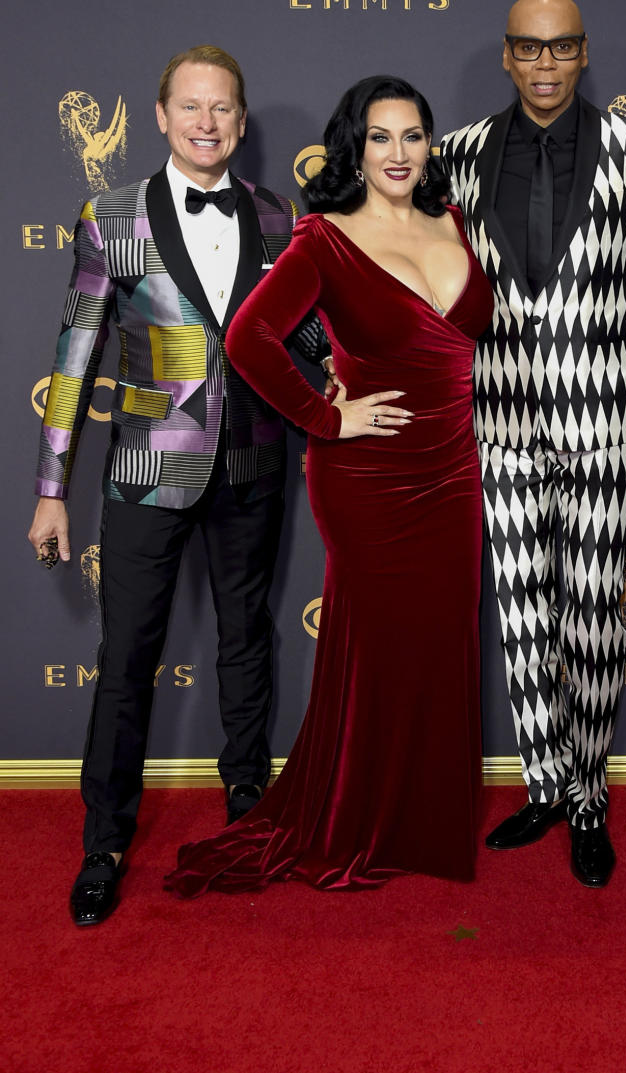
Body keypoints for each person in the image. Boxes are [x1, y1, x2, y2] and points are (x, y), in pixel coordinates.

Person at [164, 76, 493, 896]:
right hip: (369, 479)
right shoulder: (325, 237)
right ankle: (356, 815)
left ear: (430, 144)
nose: (398, 153)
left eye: (413, 135)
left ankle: (422, 818)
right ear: (355, 145)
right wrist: (325, 416)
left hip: (453, 471)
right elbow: (250, 338)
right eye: (380, 137)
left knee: (437, 643)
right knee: (377, 646)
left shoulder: (452, 220)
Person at [27, 45, 327, 927]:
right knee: (125, 663)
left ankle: (248, 810)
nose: (206, 123)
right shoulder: (110, 216)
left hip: (254, 465)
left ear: (241, 121)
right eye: (191, 107)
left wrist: (357, 391)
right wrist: (52, 488)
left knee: (248, 644)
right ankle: (104, 843)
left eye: (222, 109)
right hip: (146, 471)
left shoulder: (280, 215)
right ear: (160, 115)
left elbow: (304, 336)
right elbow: (75, 356)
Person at [440, 0, 626, 887]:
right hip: (495, 425)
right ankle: (543, 782)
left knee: (592, 624)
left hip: (602, 431)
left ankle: (589, 794)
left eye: (562, 48)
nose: (544, 65)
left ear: (584, 52)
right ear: (506, 55)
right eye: (528, 50)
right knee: (523, 617)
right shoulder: (457, 157)